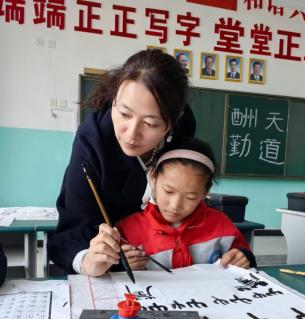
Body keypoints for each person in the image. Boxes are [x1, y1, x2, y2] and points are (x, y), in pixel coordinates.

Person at [47, 49, 196, 276]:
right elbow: (72, 229)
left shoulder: (184, 131)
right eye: (124, 114)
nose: (131, 134)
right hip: (116, 267)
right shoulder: (93, 142)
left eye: (150, 124)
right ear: (115, 97)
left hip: (167, 261)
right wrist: (88, 259)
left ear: (172, 123)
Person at [99, 138, 256, 272]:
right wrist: (121, 265)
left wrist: (243, 256)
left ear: (205, 191)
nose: (175, 205)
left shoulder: (221, 225)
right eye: (168, 191)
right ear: (153, 177)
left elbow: (243, 254)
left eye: (190, 197)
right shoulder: (127, 230)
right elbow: (108, 271)